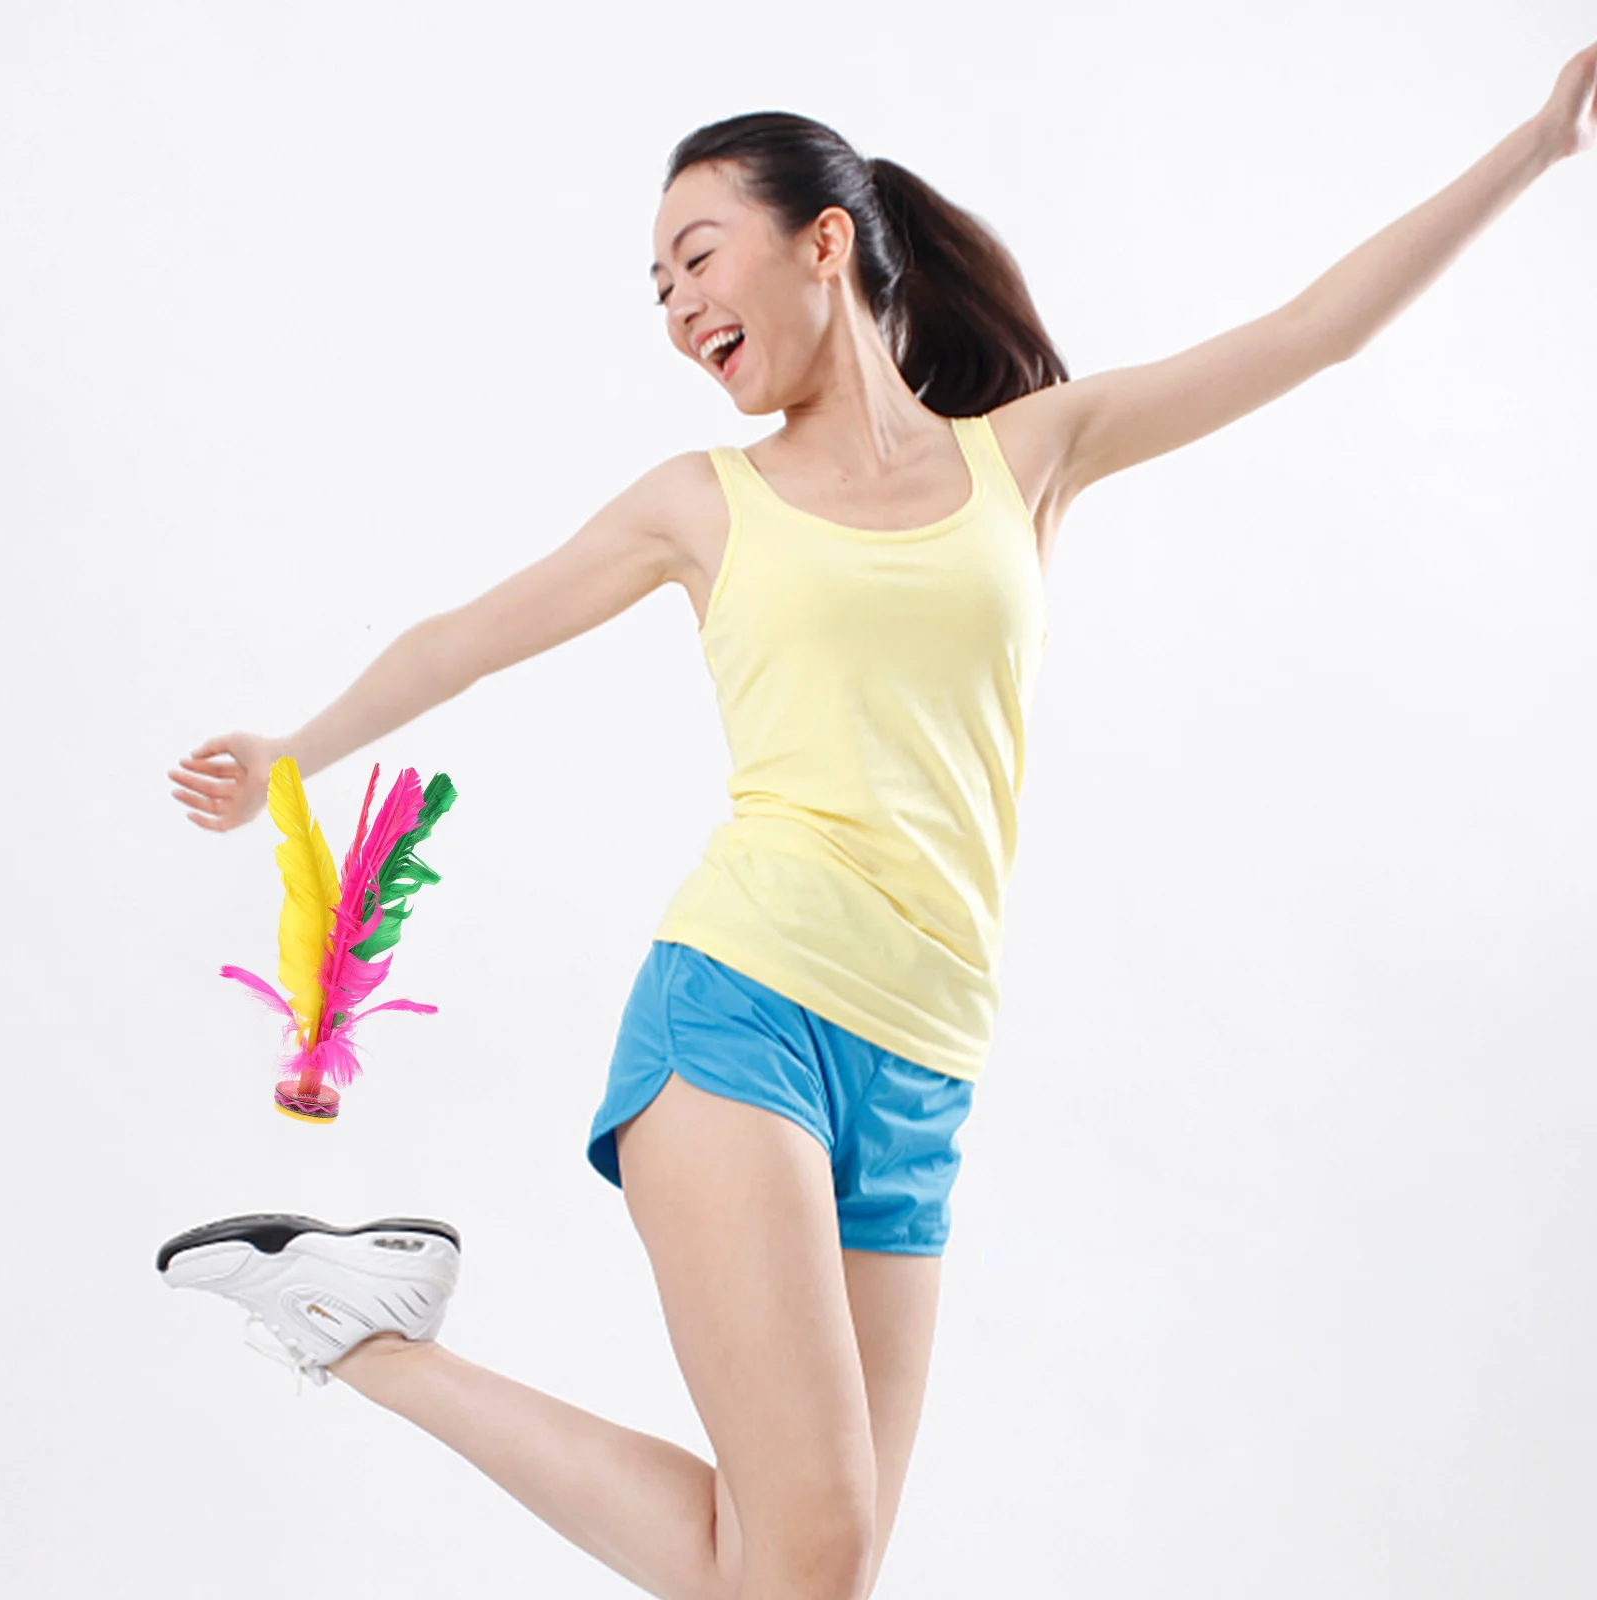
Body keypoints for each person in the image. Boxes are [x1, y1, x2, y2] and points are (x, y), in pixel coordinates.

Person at [161, 62, 1593, 1600]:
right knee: (807, 1564)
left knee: (796, 1576)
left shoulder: (1028, 457)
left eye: (696, 257)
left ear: (824, 242)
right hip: (744, 1009)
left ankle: (364, 1326)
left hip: (925, 1065)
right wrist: (295, 756)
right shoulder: (701, 504)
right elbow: (467, 636)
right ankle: (368, 1335)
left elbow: (1314, 329)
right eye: (655, 287)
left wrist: (1535, 145)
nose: (674, 310)